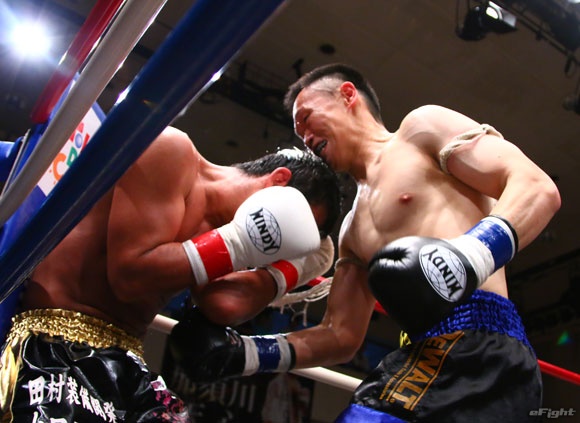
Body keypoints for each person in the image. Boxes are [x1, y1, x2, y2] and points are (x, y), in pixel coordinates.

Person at [173, 63, 561, 422]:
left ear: (347, 95)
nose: (306, 138)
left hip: (480, 344)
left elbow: (535, 187)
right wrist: (247, 354)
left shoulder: (420, 130)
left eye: (306, 118)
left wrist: (468, 257)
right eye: (299, 133)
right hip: (425, 356)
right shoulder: (352, 230)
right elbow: (340, 335)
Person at [0, 125, 342, 422]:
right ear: (279, 181)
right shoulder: (171, 151)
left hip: (126, 365)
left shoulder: (233, 237)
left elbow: (225, 306)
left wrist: (289, 271)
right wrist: (240, 243)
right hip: (55, 345)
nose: (280, 245)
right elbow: (129, 276)